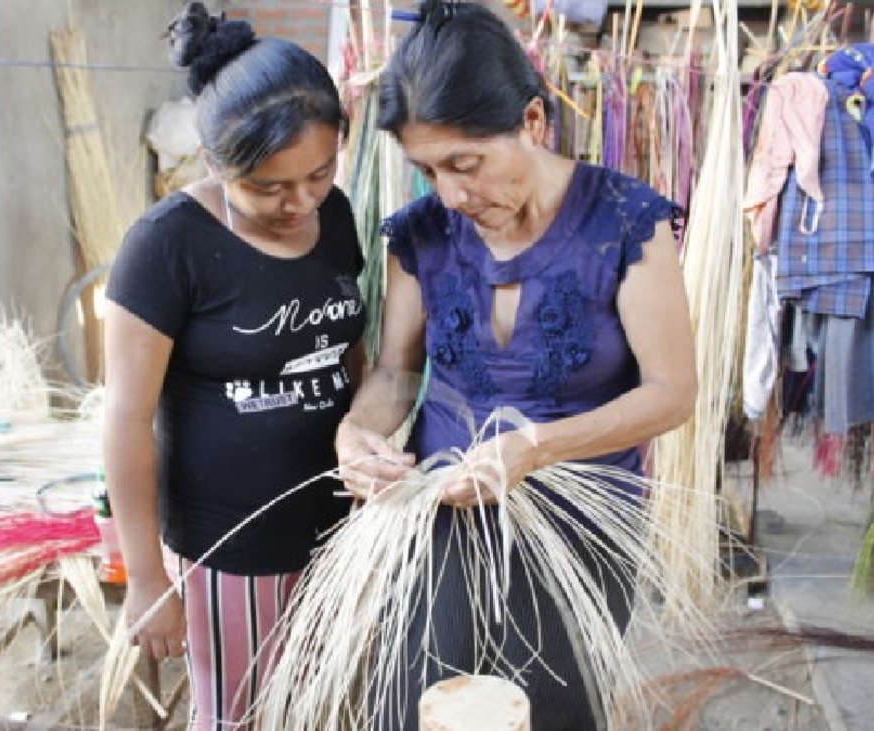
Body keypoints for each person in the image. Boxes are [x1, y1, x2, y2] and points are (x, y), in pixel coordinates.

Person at [333, 2, 697, 728]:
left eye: (465, 164)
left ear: (533, 122)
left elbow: (673, 392)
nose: (451, 193)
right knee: (430, 699)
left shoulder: (624, 221)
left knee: (552, 707)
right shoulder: (423, 234)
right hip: (442, 515)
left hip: (580, 525)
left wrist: (535, 447)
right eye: (428, 170)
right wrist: (356, 435)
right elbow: (395, 374)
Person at [103, 4, 366, 728]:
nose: (301, 201)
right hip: (233, 541)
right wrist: (146, 575)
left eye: (319, 173)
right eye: (269, 186)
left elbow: (352, 348)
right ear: (215, 164)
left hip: (341, 524)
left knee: (322, 702)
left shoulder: (336, 216)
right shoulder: (166, 246)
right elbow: (125, 416)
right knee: (242, 715)